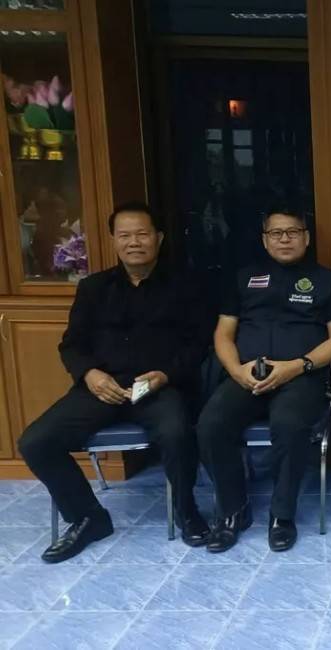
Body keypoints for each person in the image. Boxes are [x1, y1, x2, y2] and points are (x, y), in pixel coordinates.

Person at [18, 202, 212, 563]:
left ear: (158, 238)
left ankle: (187, 511)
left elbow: (199, 344)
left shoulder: (186, 286)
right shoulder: (93, 288)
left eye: (142, 234)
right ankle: (88, 518)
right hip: (102, 387)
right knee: (36, 442)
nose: (133, 242)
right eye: (125, 235)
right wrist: (90, 374)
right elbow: (72, 345)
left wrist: (165, 375)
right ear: (113, 240)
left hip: (158, 386)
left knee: (176, 432)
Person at [196, 207, 331, 553]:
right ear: (265, 240)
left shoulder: (327, 280)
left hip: (301, 377)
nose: (285, 239)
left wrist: (297, 366)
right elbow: (223, 334)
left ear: (306, 238)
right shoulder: (243, 278)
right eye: (276, 233)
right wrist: (236, 370)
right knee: (210, 425)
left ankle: (282, 515)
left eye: (293, 232)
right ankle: (233, 510)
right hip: (247, 375)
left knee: (289, 425)